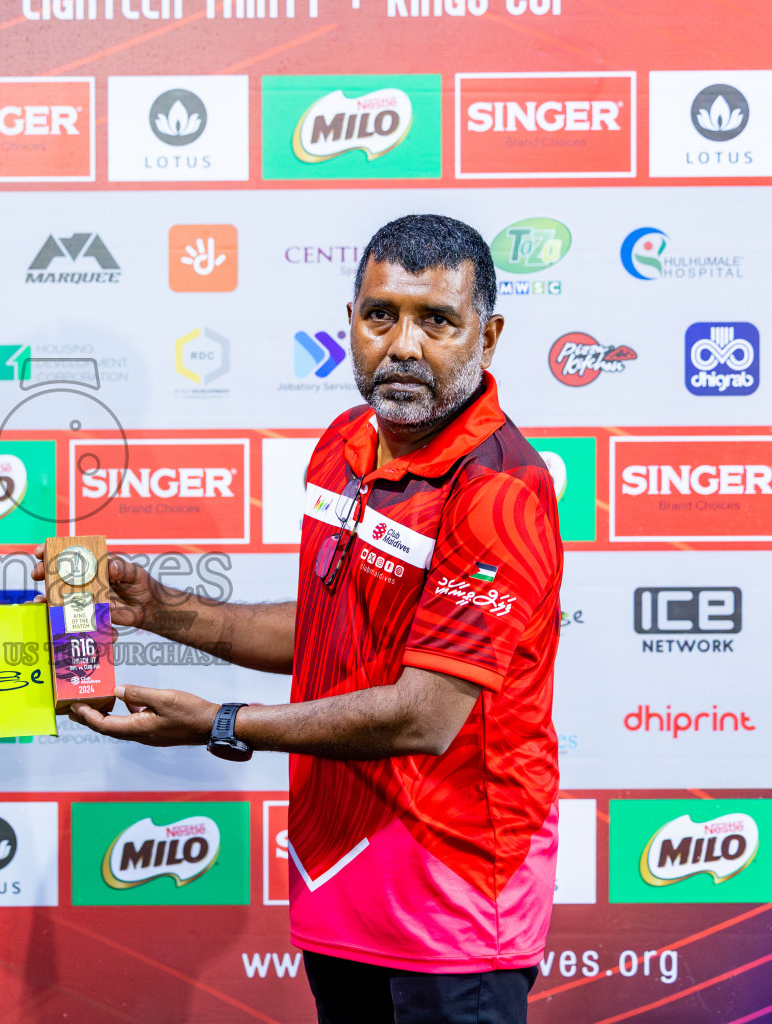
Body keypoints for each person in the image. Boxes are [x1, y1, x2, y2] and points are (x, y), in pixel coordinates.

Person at [47, 214, 563, 1024]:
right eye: (380, 314)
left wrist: (219, 721)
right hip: (340, 877)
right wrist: (161, 610)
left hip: (455, 900)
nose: (402, 346)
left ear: (487, 337)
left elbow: (427, 715)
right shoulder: (344, 443)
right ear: (350, 321)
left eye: (437, 321)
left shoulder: (499, 490)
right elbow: (334, 630)